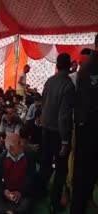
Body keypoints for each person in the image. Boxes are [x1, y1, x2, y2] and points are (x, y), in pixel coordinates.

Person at [39, 53, 75, 213]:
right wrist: (66, 141)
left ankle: (39, 193)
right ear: (69, 67)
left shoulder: (49, 81)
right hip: (58, 133)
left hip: (45, 130)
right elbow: (64, 115)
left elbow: (43, 103)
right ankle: (54, 203)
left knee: (45, 164)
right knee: (61, 169)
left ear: (57, 65)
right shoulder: (68, 85)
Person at [71, 34, 98, 214]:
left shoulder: (85, 69)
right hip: (90, 130)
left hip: (86, 128)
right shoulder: (88, 68)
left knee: (85, 175)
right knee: (84, 175)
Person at [0, 133, 36, 214]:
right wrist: (4, 191)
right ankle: (9, 211)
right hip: (7, 192)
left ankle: (1, 209)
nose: (22, 144)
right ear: (11, 148)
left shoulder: (29, 155)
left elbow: (32, 177)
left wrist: (20, 192)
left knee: (28, 203)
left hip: (22, 193)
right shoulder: (1, 159)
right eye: (19, 142)